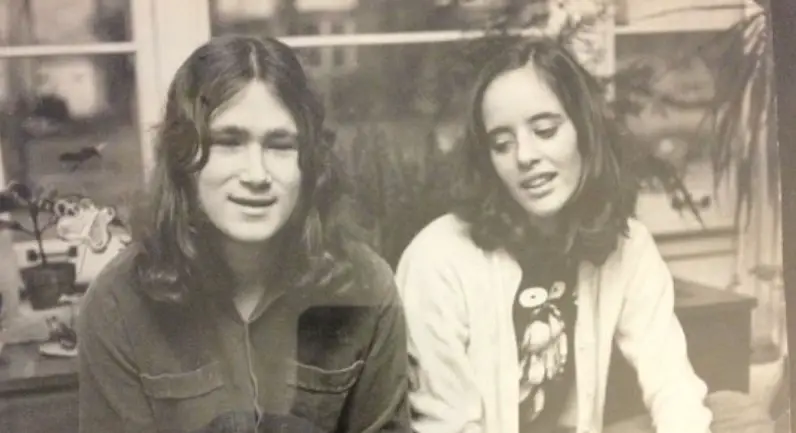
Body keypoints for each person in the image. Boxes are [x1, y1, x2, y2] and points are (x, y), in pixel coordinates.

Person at [395, 37, 773, 433]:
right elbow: (447, 426)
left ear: (584, 131)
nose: (524, 156)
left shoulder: (628, 245)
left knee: (735, 414)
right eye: (502, 144)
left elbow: (670, 382)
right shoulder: (436, 260)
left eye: (544, 130)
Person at [77, 35, 409, 433]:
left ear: (310, 164)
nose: (256, 175)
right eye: (228, 142)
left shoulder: (366, 286)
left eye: (280, 145)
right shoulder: (119, 303)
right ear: (184, 157)